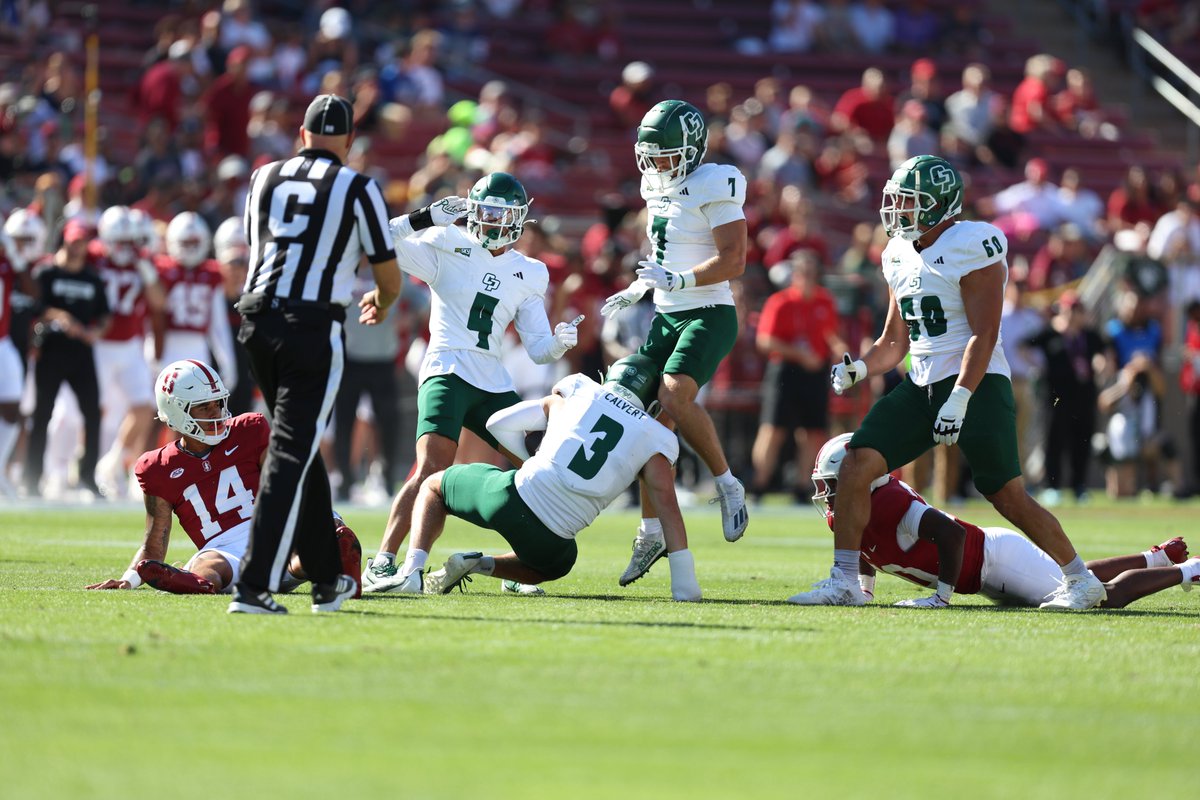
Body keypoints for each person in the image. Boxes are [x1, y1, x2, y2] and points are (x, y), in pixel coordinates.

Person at [791, 155, 1108, 609]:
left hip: (975, 383)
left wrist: (960, 397)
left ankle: (1081, 579)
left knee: (1006, 495)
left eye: (911, 201)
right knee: (857, 464)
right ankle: (845, 581)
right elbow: (893, 341)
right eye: (897, 200)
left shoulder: (972, 243)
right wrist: (860, 368)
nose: (899, 210)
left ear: (941, 205)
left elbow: (985, 333)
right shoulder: (898, 252)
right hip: (920, 383)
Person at [361, 171, 580, 594]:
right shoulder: (449, 241)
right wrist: (423, 217)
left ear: (520, 219)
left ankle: (517, 567)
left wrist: (557, 344)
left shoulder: (531, 271)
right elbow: (379, 241)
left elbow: (537, 348)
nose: (496, 221)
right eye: (488, 211)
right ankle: (388, 561)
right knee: (432, 466)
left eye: (504, 213)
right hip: (446, 367)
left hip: (492, 378)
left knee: (537, 464)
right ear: (473, 210)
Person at [231, 93, 399, 614]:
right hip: (310, 326)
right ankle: (254, 584)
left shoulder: (263, 178)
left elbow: (259, 250)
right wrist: (383, 301)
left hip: (256, 320)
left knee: (298, 445)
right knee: (290, 451)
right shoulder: (358, 186)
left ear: (300, 135)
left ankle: (327, 577)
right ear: (348, 143)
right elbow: (386, 273)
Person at [599, 99, 750, 586]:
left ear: (692, 149)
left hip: (708, 312)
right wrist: (642, 285)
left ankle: (727, 483)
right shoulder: (653, 185)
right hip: (666, 313)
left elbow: (735, 259)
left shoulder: (715, 182)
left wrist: (678, 281)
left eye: (665, 153)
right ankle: (650, 532)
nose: (655, 163)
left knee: (672, 393)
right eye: (650, 153)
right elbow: (667, 245)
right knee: (637, 421)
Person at [407, 355, 702, 601]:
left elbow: (496, 423)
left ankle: (412, 570)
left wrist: (533, 460)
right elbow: (669, 511)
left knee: (433, 487)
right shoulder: (656, 438)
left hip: (509, 499)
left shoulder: (580, 389)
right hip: (553, 542)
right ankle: (482, 566)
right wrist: (684, 586)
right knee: (558, 563)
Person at [792, 434, 1199, 607]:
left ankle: (1188, 570)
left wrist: (941, 597)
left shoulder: (890, 502)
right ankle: (1156, 557)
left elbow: (949, 534)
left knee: (1101, 598)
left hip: (994, 559)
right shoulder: (846, 514)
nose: (830, 492)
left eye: (835, 482)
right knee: (1077, 579)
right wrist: (864, 589)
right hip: (986, 568)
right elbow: (866, 545)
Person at [85, 360, 362, 599]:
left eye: (219, 403)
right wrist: (130, 579)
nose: (216, 413)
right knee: (208, 567)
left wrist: (320, 518)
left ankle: (335, 556)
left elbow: (286, 485)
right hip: (224, 551)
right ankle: (194, 582)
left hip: (272, 531)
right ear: (177, 413)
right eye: (204, 407)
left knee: (310, 545)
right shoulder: (156, 467)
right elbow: (154, 543)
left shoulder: (249, 429)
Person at [24, 220, 110, 497]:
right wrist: (60, 316)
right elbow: (35, 306)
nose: (78, 247)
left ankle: (87, 476)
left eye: (83, 241)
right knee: (42, 414)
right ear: (64, 240)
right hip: (51, 351)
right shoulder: (47, 273)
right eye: (74, 241)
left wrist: (94, 332)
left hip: (81, 353)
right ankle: (32, 477)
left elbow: (105, 315)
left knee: (93, 414)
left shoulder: (92, 277)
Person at [750, 251, 844, 502]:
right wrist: (799, 354)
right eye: (803, 272)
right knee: (773, 429)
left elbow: (831, 336)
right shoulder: (780, 301)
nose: (807, 278)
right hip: (786, 371)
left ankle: (803, 487)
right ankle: (759, 485)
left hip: (815, 372)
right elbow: (765, 340)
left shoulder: (825, 301)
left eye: (812, 273)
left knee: (812, 432)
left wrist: (840, 353)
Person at [92, 206, 166, 498]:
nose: (125, 248)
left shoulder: (143, 262)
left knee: (144, 406)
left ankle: (112, 462)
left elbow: (160, 303)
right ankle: (76, 469)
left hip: (132, 343)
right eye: (119, 241)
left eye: (129, 241)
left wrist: (147, 272)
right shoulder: (95, 257)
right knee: (97, 411)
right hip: (101, 343)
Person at [155, 212, 237, 381]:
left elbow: (218, 324)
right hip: (168, 342)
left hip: (199, 345)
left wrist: (227, 361)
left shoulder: (212, 273)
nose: (191, 247)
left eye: (195, 242)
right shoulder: (163, 270)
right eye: (186, 242)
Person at [0, 210, 43, 495]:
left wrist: (15, 259)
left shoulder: (7, 264)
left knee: (14, 407)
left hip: (3, 342)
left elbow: (33, 293)